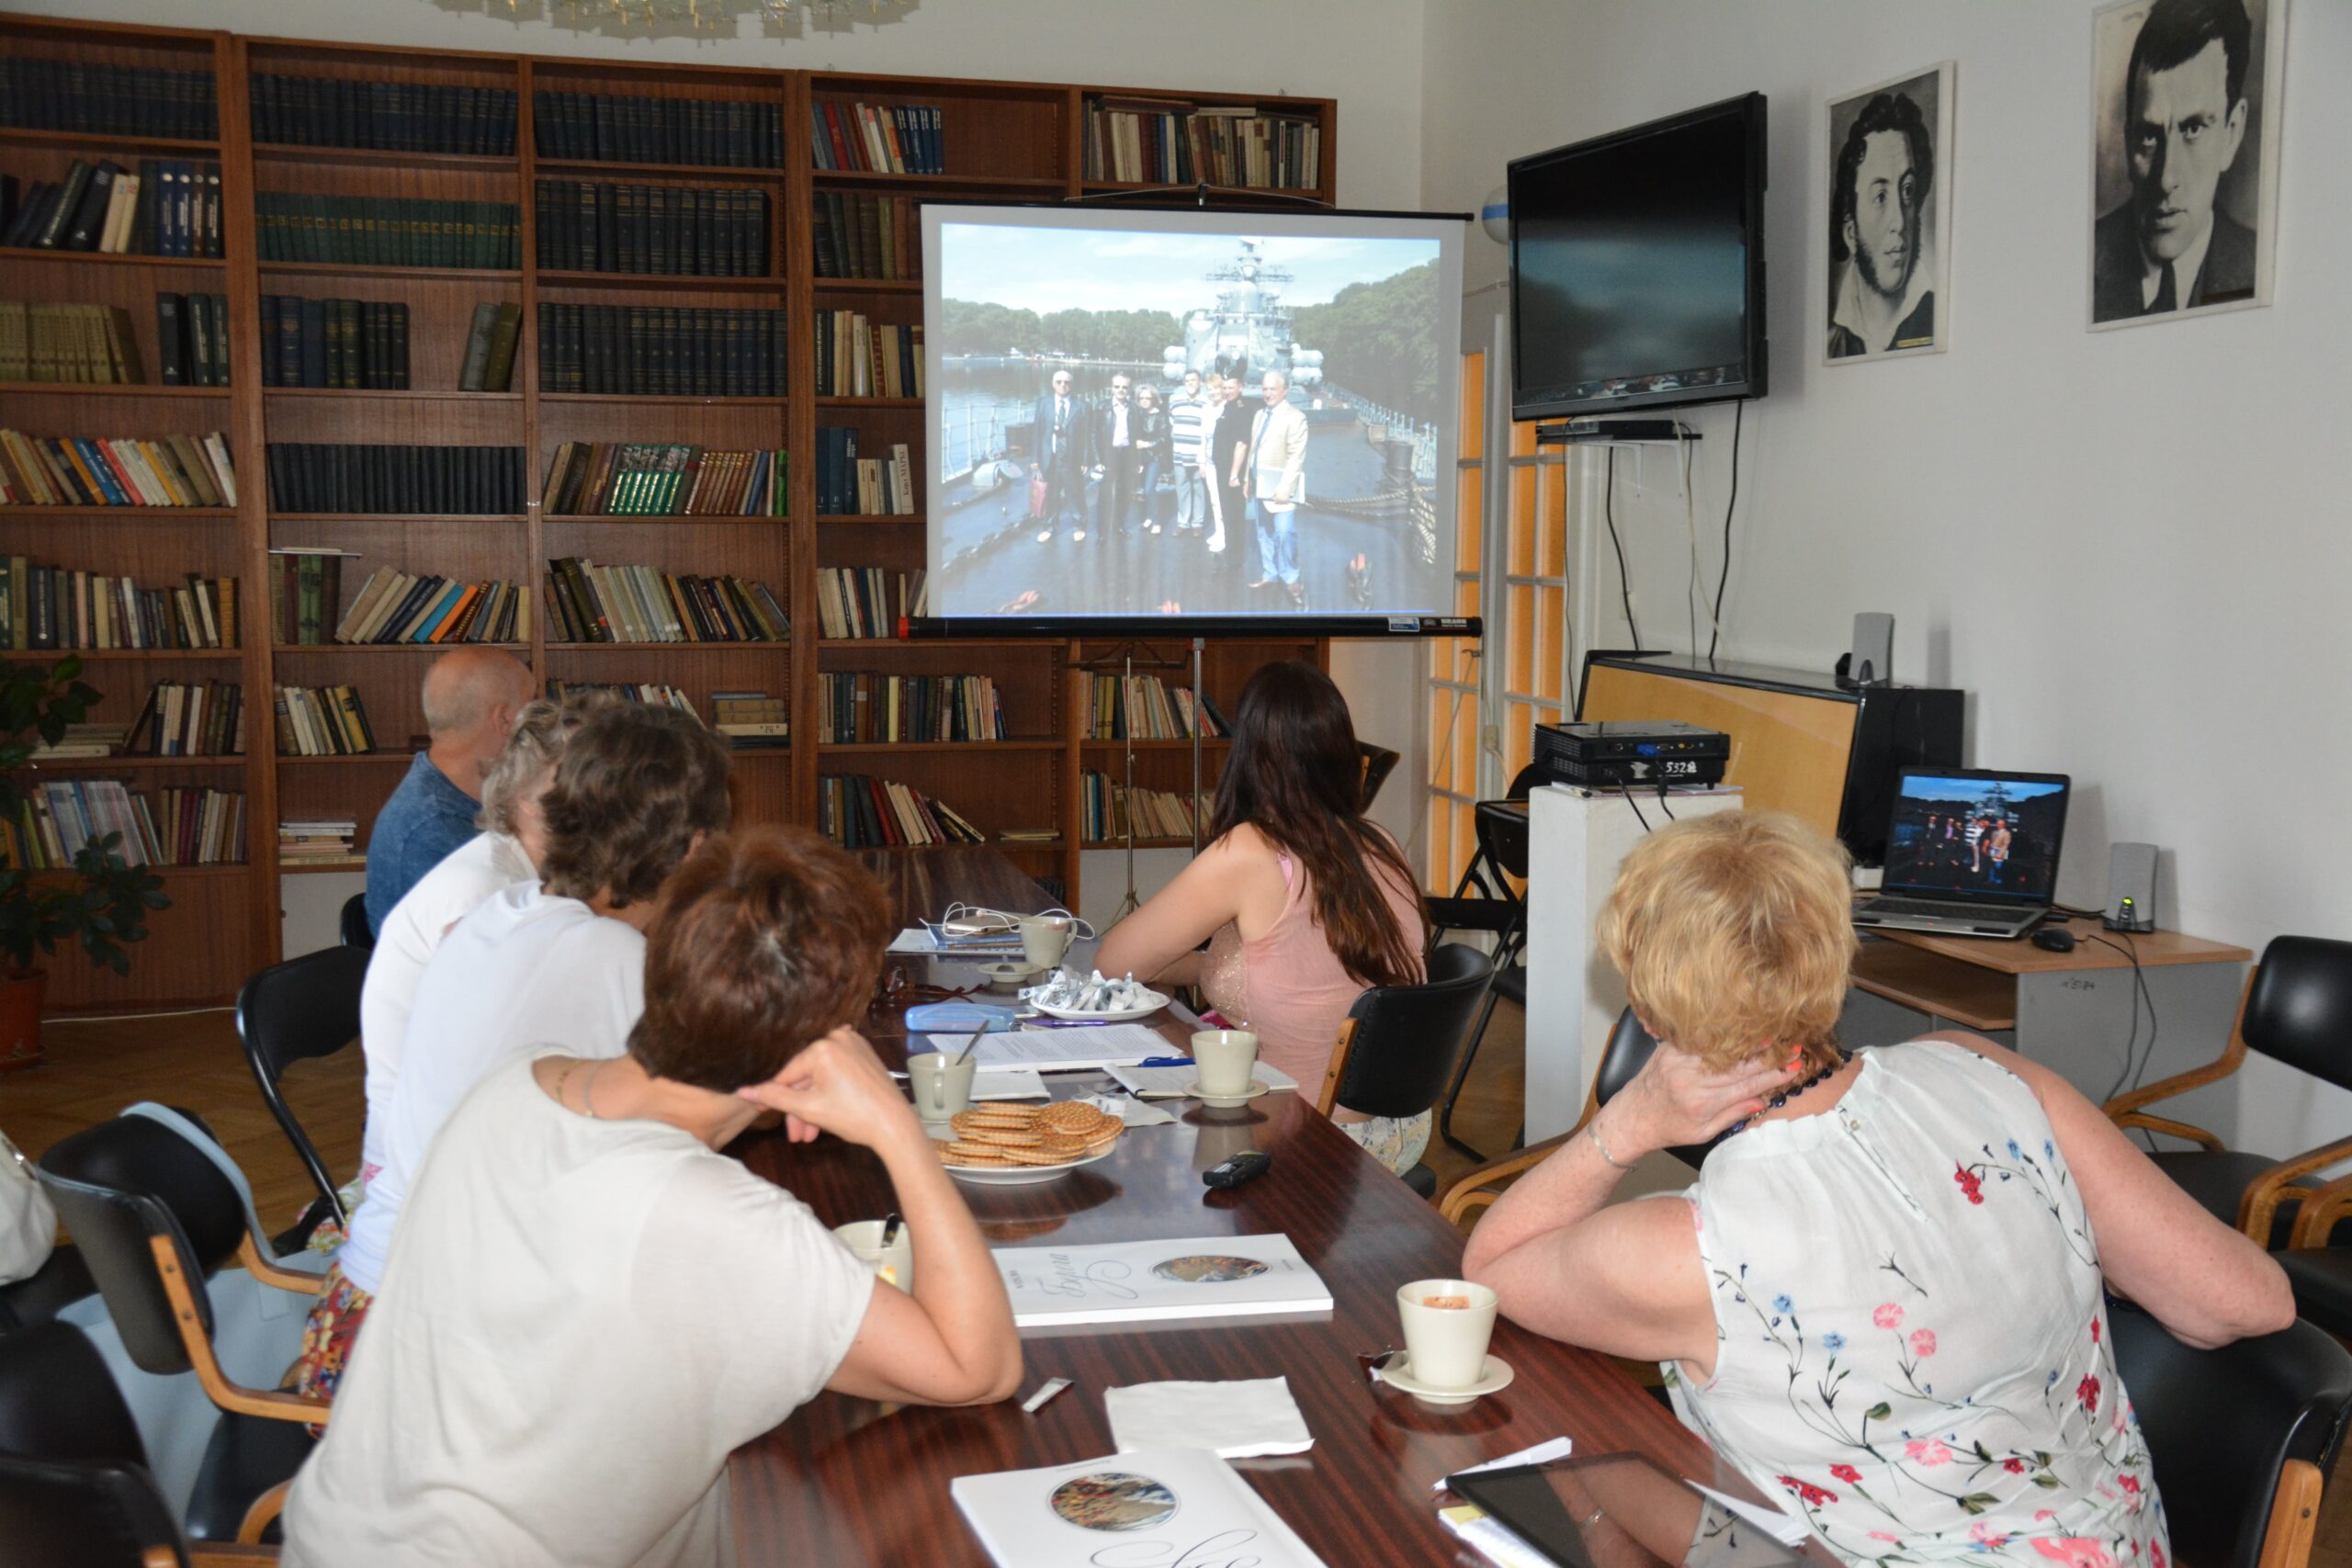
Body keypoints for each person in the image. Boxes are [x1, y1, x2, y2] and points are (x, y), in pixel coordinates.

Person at [1462, 812, 2292, 1565]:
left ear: (1648, 1012)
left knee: (1564, 1480)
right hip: (2119, 1549)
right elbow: (2247, 1302)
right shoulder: (1989, 1073)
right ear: (1833, 958)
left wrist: (1629, 1121)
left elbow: (1489, 1270)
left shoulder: (1689, 1248)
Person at [278, 827, 1023, 1567]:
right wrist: (896, 1127)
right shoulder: (720, 1226)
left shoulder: (514, 1077)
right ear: (819, 1050)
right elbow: (977, 1366)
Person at [296, 703, 733, 1398]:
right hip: (417, 1365)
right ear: (694, 848)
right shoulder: (603, 955)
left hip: (362, 1314)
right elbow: (688, 1136)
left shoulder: (505, 913)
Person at [1095, 661, 1430, 1172]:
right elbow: (1310, 971)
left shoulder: (1251, 850)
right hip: (1403, 1128)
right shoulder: (1379, 841)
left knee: (1119, 1139)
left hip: (1309, 1136)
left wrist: (1171, 966)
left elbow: (1113, 963)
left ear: (1247, 755)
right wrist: (1192, 967)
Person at [351, 694, 601, 1213]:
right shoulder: (485, 892)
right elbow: (496, 1069)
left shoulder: (533, 869)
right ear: (526, 798)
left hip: (471, 1135)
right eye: (583, 782)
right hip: (426, 1175)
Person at [2092, 0, 2256, 323]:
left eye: (2193, 129)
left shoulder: (2260, 265)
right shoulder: (2078, 262)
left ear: (2232, 133)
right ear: (2127, 139)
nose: (2166, 179)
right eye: (2149, 137)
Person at [363, 648, 535, 935]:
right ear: (504, 720)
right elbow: (501, 944)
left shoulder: (468, 793)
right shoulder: (434, 828)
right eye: (531, 706)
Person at [1826, 89, 1937, 358]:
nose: (1899, 221)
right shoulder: (1833, 345)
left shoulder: (1934, 320)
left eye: (1907, 190)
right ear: (1850, 231)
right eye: (1880, 197)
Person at [1242, 369, 1310, 605]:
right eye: (1265, 389)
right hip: (1260, 485)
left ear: (1285, 391)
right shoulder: (1260, 414)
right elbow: (1253, 449)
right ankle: (1270, 573)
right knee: (1263, 532)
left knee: (1284, 533)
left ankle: (1290, 577)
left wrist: (1285, 488)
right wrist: (1247, 478)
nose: (1268, 393)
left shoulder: (1296, 417)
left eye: (1273, 389)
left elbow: (1296, 457)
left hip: (1282, 489)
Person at [1029, 368, 1091, 544]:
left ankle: (1078, 526)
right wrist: (1035, 458)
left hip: (1072, 459)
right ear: (1053, 384)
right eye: (1059, 382)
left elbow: (1087, 435)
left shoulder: (1082, 406)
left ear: (1072, 385)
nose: (1063, 385)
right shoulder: (1043, 403)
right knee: (1051, 494)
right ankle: (1049, 527)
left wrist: (1086, 459)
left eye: (1067, 382)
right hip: (1050, 457)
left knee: (1075, 493)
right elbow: (1037, 431)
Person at [1090, 373, 1143, 540]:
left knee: (1124, 493)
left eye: (1124, 387)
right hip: (1108, 454)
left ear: (1129, 389)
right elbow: (1093, 435)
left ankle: (1119, 525)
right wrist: (1097, 460)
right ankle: (1102, 532)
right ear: (1111, 388)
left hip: (1126, 454)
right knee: (1105, 495)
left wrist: (1138, 460)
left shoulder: (1134, 408)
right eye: (1117, 386)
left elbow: (1138, 435)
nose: (1121, 390)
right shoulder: (1102, 407)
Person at [1204, 372, 1250, 567]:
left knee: (1234, 514)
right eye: (1225, 387)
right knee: (1227, 510)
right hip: (1222, 469)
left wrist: (1233, 475)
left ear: (1240, 387)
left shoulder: (1240, 410)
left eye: (1231, 387)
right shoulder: (1229, 407)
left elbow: (1241, 444)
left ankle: (1234, 557)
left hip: (1231, 473)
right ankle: (1231, 551)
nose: (1227, 391)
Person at [1167, 368, 1210, 534]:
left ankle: (1197, 523)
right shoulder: (1175, 401)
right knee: (1182, 488)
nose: (1190, 383)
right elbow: (1172, 423)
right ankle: (1183, 522)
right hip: (1179, 454)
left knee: (1199, 489)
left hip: (1198, 455)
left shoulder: (1207, 403)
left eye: (1193, 380)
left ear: (1200, 383)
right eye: (1187, 381)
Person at [1130, 381, 1170, 536]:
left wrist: (1147, 445)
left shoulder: (1160, 416)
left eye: (1147, 398)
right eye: (1141, 398)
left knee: (1149, 489)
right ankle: (1148, 516)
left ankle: (1157, 520)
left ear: (1154, 398)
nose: (1144, 401)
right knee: (1141, 490)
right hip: (1141, 458)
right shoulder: (1138, 415)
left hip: (1155, 457)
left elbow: (1164, 439)